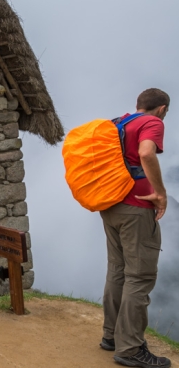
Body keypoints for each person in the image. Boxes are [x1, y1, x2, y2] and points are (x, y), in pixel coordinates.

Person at [100, 88, 171, 368]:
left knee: (118, 271)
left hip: (111, 205)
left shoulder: (119, 122)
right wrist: (161, 194)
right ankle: (130, 348)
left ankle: (112, 337)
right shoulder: (153, 122)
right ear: (162, 108)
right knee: (140, 276)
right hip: (137, 208)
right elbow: (146, 153)